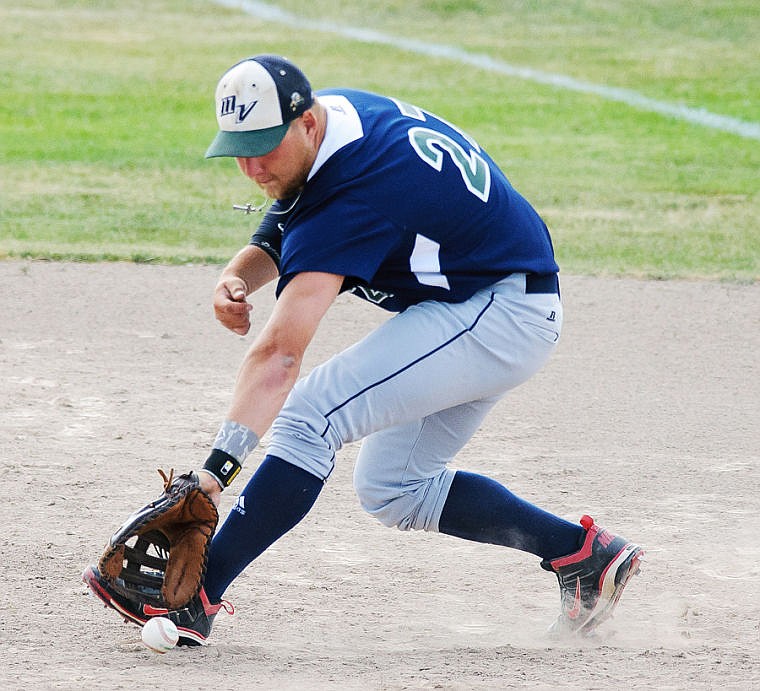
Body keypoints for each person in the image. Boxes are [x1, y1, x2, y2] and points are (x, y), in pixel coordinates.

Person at [84, 54, 643, 645]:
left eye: (265, 148)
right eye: (239, 150)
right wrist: (240, 274)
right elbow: (291, 211)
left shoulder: (359, 190)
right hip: (486, 299)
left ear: (305, 124)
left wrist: (215, 473)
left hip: (497, 311)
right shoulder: (333, 123)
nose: (252, 166)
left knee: (310, 414)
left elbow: (279, 353)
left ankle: (199, 596)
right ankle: (581, 556)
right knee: (395, 488)